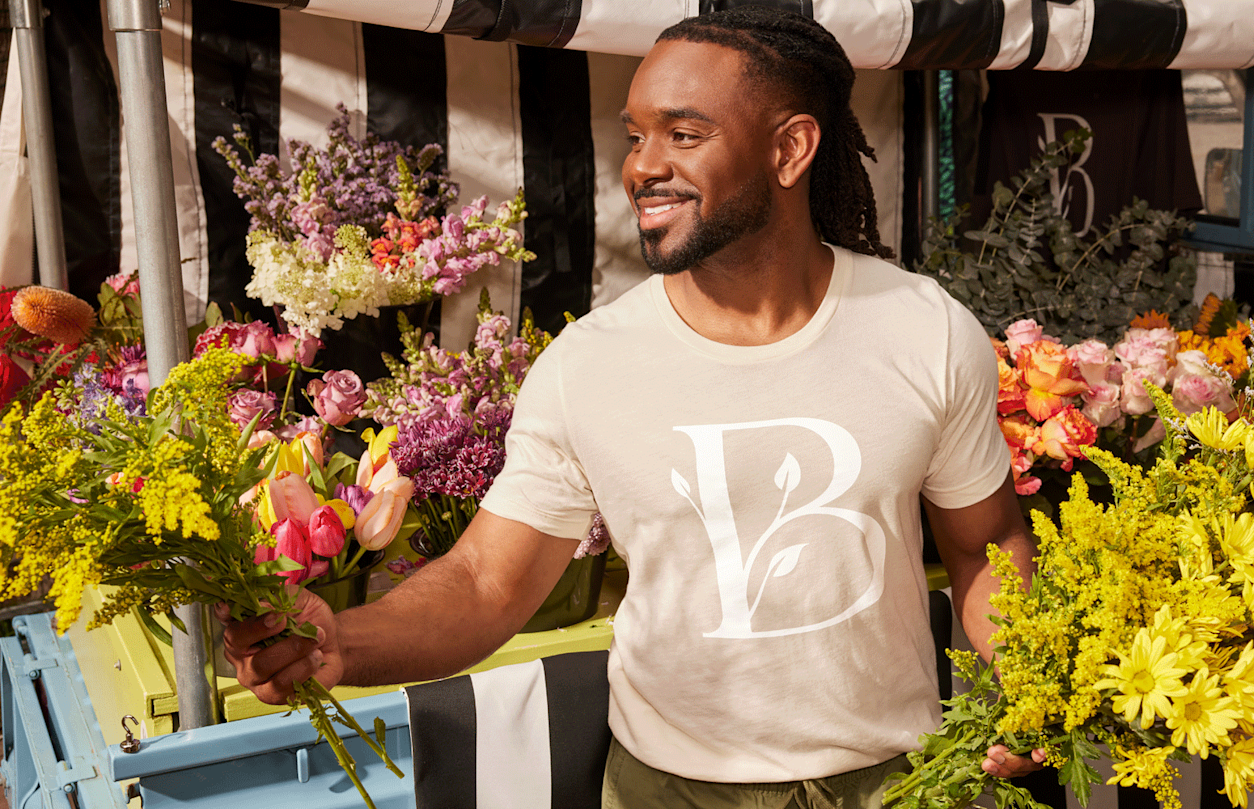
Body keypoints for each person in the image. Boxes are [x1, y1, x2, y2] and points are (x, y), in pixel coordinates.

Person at [223, 7, 1044, 806]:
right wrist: (341, 640)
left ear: (791, 148)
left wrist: (1035, 677)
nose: (642, 166)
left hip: (904, 782)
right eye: (636, 136)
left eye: (683, 135)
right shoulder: (589, 365)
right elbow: (485, 583)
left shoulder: (923, 328)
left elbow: (988, 544)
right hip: (669, 790)